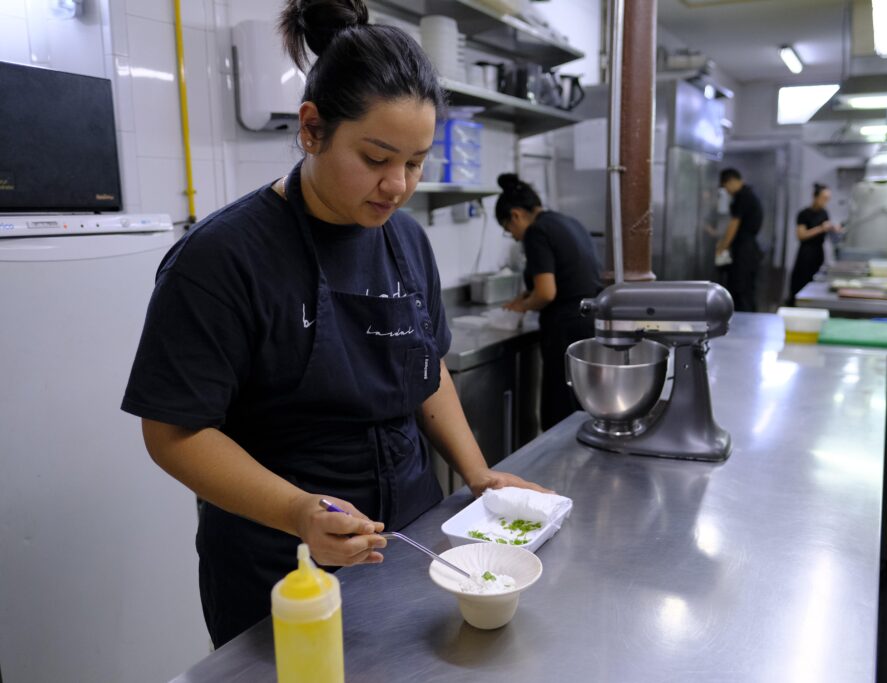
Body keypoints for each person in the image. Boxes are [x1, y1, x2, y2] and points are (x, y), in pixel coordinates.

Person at [121, 0, 546, 648]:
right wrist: (299, 510)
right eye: (376, 158)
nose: (397, 185)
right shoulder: (223, 258)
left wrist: (479, 472)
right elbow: (174, 430)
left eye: (416, 160)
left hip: (413, 543)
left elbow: (425, 368)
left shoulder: (406, 240)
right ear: (312, 129)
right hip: (284, 567)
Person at [495, 174, 602, 430]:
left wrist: (522, 306)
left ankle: (561, 469)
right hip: (590, 322)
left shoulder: (536, 232)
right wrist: (524, 297)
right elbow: (568, 276)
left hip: (566, 330)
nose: (516, 238)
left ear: (516, 215)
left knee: (561, 410)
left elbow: (546, 293)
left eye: (510, 231)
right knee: (583, 405)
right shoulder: (567, 221)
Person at [716, 168, 764, 312]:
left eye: (725, 187)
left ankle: (744, 328)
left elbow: (734, 226)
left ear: (731, 182)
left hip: (745, 250)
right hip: (749, 248)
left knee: (741, 290)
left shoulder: (742, 197)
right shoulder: (749, 194)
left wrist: (721, 248)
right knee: (746, 290)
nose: (727, 191)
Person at [787, 183, 843, 305]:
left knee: (815, 282)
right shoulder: (804, 214)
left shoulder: (824, 213)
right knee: (801, 282)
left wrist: (834, 228)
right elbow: (801, 235)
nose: (825, 201)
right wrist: (821, 228)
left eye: (828, 199)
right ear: (815, 197)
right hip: (806, 253)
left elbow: (827, 229)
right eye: (824, 198)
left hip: (818, 252)